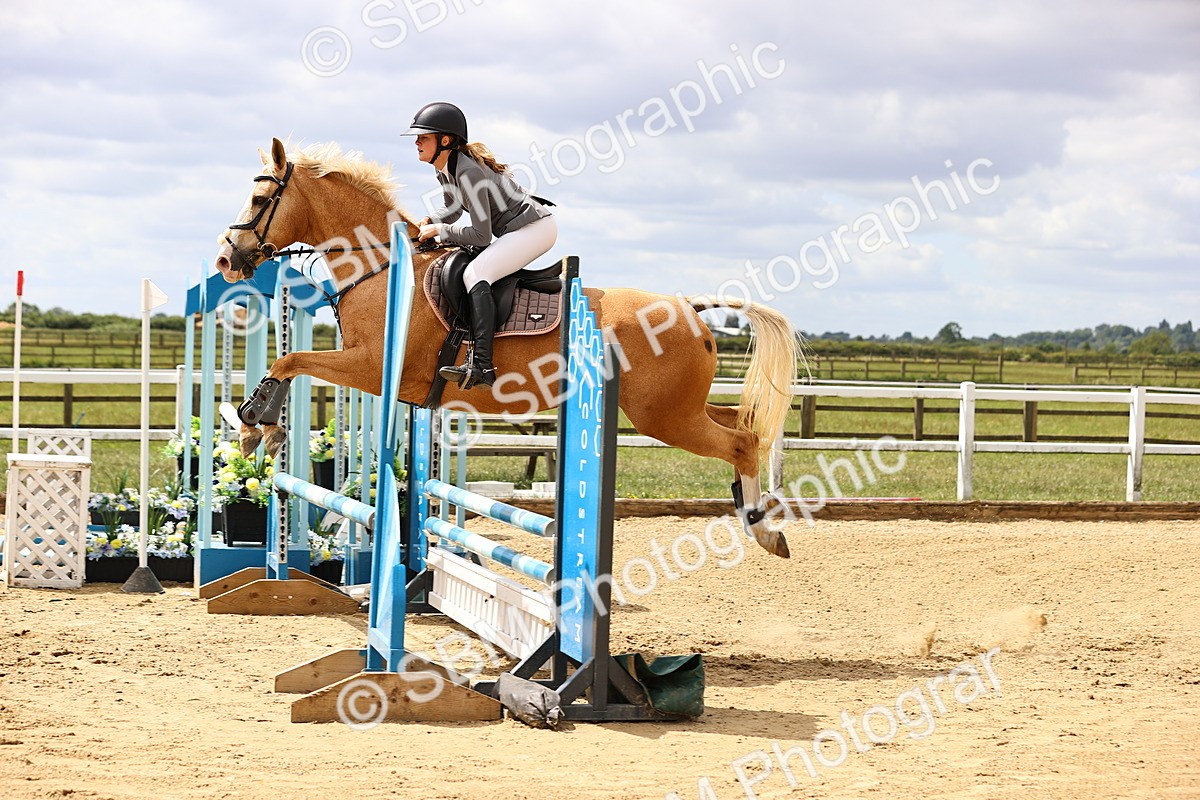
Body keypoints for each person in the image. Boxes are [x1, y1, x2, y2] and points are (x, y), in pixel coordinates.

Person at [403, 101, 557, 389]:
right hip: (521, 228)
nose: (417, 142)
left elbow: (481, 236)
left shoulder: (467, 171)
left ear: (444, 141)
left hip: (535, 229)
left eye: (423, 136)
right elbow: (453, 208)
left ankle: (482, 366)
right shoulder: (446, 168)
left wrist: (441, 231)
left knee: (475, 274)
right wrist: (431, 221)